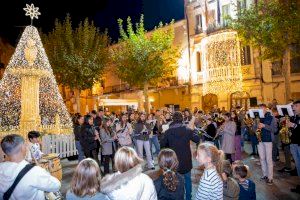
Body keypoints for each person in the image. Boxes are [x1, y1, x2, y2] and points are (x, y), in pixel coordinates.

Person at [0, 134, 61, 199]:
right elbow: (56, 186)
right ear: (22, 148)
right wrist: (48, 171)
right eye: (25, 145)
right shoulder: (34, 171)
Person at [160, 111, 200, 200]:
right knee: (188, 180)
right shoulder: (187, 129)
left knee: (175, 180)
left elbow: (162, 145)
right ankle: (189, 197)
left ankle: (178, 197)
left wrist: (164, 136)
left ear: (173, 119)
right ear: (181, 119)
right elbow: (197, 139)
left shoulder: (168, 131)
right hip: (186, 160)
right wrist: (194, 130)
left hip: (173, 161)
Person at [255, 104, 275, 185]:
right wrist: (255, 125)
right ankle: (265, 175)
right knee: (262, 158)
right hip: (260, 140)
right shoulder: (257, 118)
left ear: (266, 109)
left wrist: (264, 125)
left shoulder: (271, 117)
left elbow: (274, 129)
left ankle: (270, 178)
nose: (260, 111)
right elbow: (254, 129)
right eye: (259, 109)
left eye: (262, 109)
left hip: (268, 140)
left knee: (268, 159)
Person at [288, 100, 300, 193]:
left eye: (295, 106)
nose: (293, 108)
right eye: (293, 106)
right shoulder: (295, 116)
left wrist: (294, 125)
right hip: (294, 143)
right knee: (298, 165)